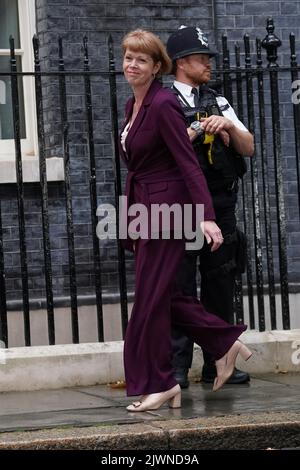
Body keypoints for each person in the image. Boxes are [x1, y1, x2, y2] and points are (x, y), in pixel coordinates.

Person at [119, 29, 252, 412]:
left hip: (168, 212)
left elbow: (188, 165)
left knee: (149, 299)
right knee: (167, 295)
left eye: (141, 59)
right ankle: (225, 343)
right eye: (128, 57)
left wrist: (205, 217)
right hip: (145, 210)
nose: (132, 64)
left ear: (157, 66)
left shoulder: (162, 104)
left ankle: (160, 381)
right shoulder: (134, 107)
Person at [166, 26, 254, 389]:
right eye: (202, 58)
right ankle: (175, 368)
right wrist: (191, 132)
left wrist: (227, 127)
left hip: (221, 202)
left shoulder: (217, 100)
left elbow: (247, 147)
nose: (208, 64)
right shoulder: (164, 101)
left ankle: (217, 361)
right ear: (182, 62)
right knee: (180, 285)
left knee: (220, 282)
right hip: (183, 205)